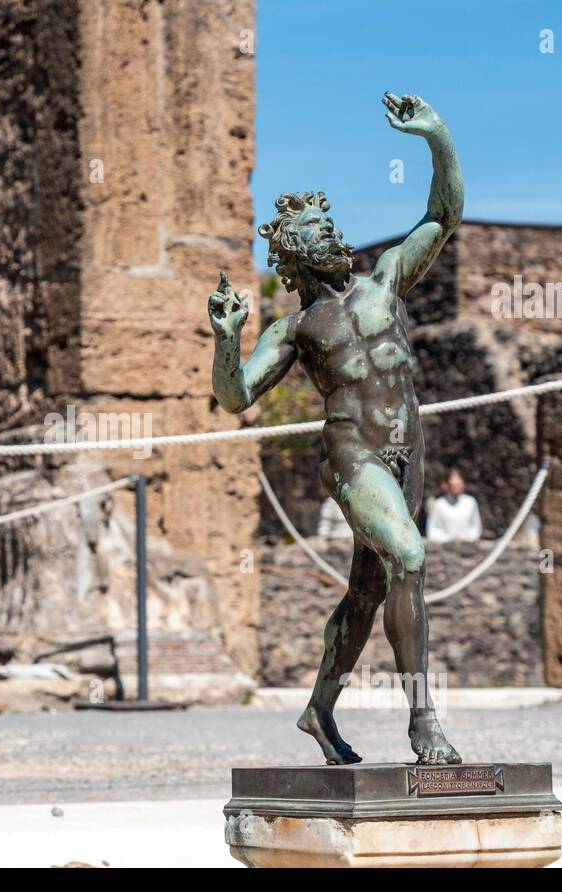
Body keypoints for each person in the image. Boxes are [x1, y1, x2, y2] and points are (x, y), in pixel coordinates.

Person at [208, 91, 463, 766]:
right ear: (290, 255)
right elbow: (233, 396)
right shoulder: (294, 328)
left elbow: (443, 214)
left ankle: (319, 711)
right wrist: (227, 339)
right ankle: (423, 721)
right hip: (354, 455)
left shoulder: (385, 282)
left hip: (409, 450)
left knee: (370, 588)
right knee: (408, 556)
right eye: (307, 231)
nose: (323, 231)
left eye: (326, 222)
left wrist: (435, 136)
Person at [426, 469, 482, 543]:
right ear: (447, 485)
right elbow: (432, 531)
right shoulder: (438, 504)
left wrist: (464, 538)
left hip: (468, 547)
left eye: (458, 485)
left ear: (463, 484)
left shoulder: (471, 502)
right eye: (453, 485)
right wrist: (449, 538)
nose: (456, 488)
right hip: (444, 549)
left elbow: (476, 528)